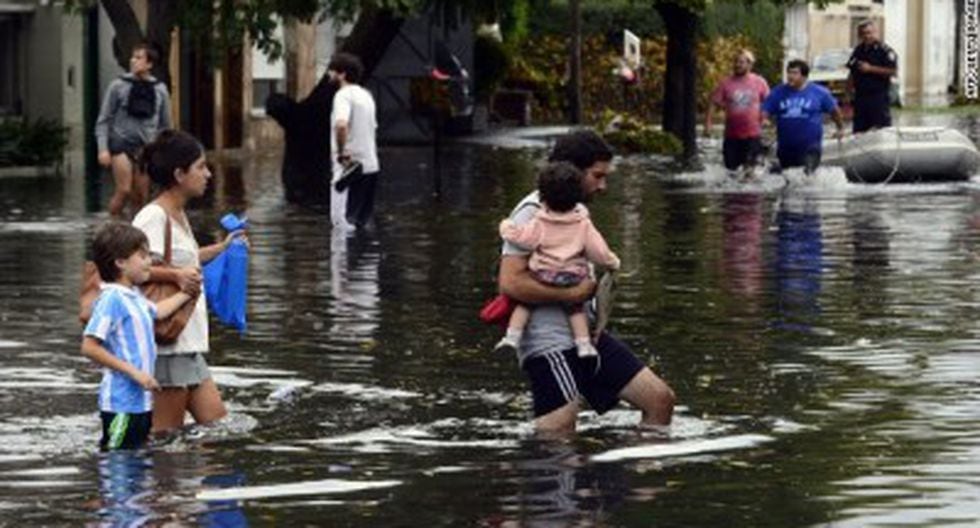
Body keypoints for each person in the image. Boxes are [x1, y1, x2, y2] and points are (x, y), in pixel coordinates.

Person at [497, 130, 675, 435]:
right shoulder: (532, 211)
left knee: (659, 400)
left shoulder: (575, 210)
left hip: (585, 336)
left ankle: (638, 465)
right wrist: (573, 293)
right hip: (548, 341)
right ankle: (551, 467)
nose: (603, 186)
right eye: (597, 176)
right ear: (572, 171)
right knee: (559, 431)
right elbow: (510, 283)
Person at [132, 130, 244, 435]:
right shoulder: (153, 217)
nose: (208, 174)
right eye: (201, 167)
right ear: (179, 174)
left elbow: (186, 260)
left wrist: (223, 248)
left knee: (217, 427)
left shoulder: (178, 214)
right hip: (169, 347)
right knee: (165, 437)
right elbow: (133, 271)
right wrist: (176, 276)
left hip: (187, 342)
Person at [80, 221, 195, 450]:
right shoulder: (111, 299)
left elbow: (159, 311)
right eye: (142, 256)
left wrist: (188, 293)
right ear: (120, 263)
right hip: (120, 404)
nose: (149, 262)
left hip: (141, 402)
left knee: (136, 458)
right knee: (116, 459)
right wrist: (135, 373)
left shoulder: (133, 297)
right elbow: (89, 346)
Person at [495, 161, 621, 359]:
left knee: (525, 304)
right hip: (572, 276)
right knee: (575, 309)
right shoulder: (583, 223)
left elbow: (524, 238)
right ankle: (584, 345)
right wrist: (612, 262)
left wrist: (506, 228)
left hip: (543, 274)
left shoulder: (539, 220)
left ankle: (512, 337)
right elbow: (598, 251)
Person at [94, 42, 172, 218]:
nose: (133, 61)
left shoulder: (160, 89)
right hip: (121, 145)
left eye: (138, 58)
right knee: (124, 189)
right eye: (132, 57)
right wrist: (103, 149)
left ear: (149, 64)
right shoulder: (117, 86)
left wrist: (163, 151)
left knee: (141, 196)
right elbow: (103, 120)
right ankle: (112, 223)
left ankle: (134, 228)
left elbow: (165, 125)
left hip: (145, 148)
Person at [762, 59, 845, 174]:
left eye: (795, 73)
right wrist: (764, 119)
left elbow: (834, 111)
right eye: (789, 72)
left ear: (804, 76)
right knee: (789, 178)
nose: (790, 76)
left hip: (810, 147)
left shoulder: (820, 92)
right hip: (786, 147)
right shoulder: (778, 92)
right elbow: (765, 110)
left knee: (807, 177)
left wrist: (840, 128)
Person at [328, 52, 380, 230]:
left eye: (332, 71)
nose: (329, 74)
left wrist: (341, 152)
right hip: (371, 167)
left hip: (350, 169)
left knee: (341, 224)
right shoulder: (366, 95)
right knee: (361, 225)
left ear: (342, 74)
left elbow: (341, 125)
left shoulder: (343, 96)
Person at [704, 49, 770, 175]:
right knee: (731, 173)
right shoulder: (725, 83)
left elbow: (769, 102)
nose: (737, 65)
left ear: (750, 65)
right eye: (735, 62)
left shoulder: (759, 82)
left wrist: (765, 117)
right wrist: (708, 124)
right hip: (731, 136)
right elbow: (712, 103)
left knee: (750, 172)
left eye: (741, 62)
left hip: (753, 136)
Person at [847, 20, 898, 133]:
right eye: (863, 33)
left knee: (881, 131)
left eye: (869, 33)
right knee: (859, 132)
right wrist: (848, 94)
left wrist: (871, 69)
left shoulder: (884, 51)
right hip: (860, 98)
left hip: (878, 98)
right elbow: (852, 72)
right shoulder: (858, 50)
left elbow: (892, 71)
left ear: (875, 32)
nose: (867, 36)